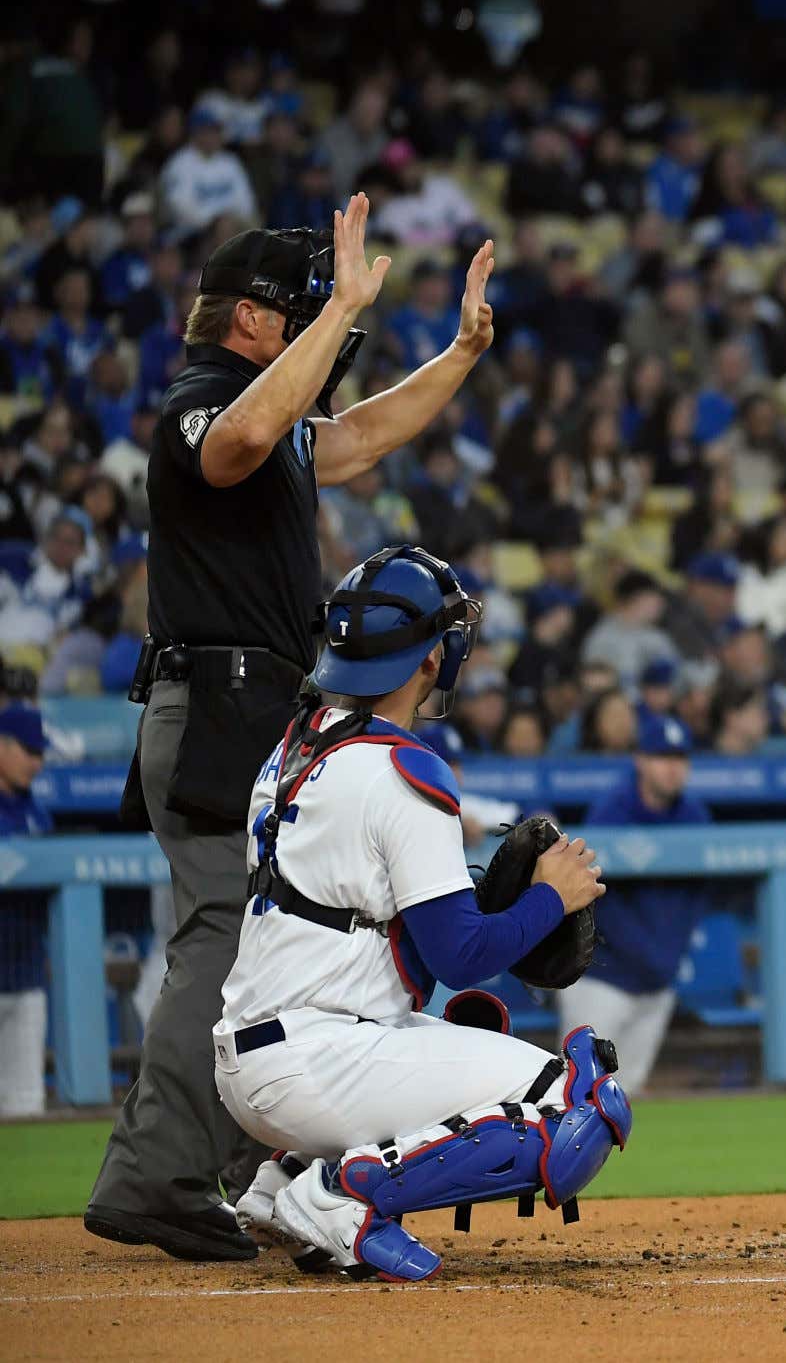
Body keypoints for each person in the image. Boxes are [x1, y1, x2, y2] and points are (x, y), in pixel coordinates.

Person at [88, 196, 500, 1264]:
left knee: (264, 946)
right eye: (307, 307)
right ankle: (156, 1177)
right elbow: (239, 440)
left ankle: (240, 1176)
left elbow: (353, 437)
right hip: (214, 704)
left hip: (257, 708)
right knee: (226, 942)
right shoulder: (201, 399)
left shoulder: (272, 420)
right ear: (251, 319)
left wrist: (459, 355)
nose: (327, 321)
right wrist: (346, 310)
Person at [211, 547, 618, 1281]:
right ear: (433, 657)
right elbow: (462, 956)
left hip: (263, 1055)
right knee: (578, 1099)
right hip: (318, 1057)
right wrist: (551, 897)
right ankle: (337, 1195)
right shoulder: (406, 768)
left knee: (476, 1050)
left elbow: (385, 920)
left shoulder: (296, 745)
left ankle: (281, 1184)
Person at [552, 714, 710, 1095]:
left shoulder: (694, 816)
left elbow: (697, 897)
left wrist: (666, 959)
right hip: (602, 980)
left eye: (679, 758)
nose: (672, 768)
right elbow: (594, 901)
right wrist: (651, 955)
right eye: (661, 757)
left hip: (657, 984)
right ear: (640, 759)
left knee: (627, 1096)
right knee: (577, 1093)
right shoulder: (611, 811)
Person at [0, 702, 51, 1118]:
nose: (37, 762)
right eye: (28, 751)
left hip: (26, 973)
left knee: (26, 1106)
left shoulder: (38, 814)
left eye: (40, 753)